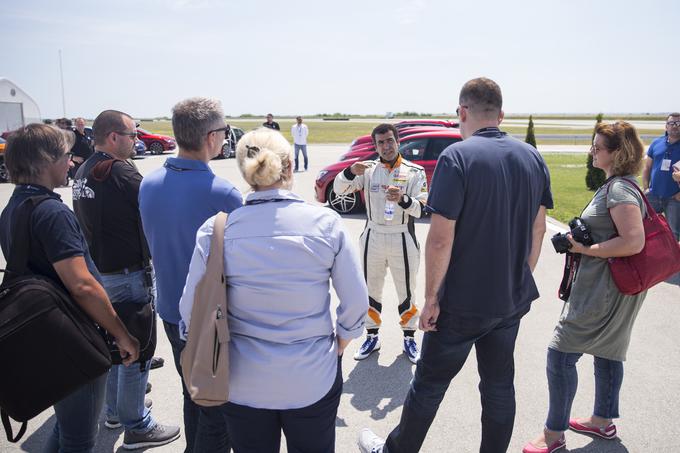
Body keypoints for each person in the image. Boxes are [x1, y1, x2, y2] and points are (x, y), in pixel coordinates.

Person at [359, 77, 553, 453]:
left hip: (463, 302)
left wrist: (431, 298)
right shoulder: (532, 156)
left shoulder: (457, 157)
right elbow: (539, 228)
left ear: (463, 111)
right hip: (510, 301)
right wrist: (521, 278)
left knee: (429, 386)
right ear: (501, 113)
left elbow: (441, 237)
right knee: (498, 387)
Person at [179, 127, 367, 453]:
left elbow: (189, 311)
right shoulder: (326, 224)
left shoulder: (216, 230)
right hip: (312, 378)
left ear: (245, 172)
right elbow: (356, 304)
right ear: (289, 167)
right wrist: (338, 345)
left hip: (241, 383)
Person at [0, 124, 140, 453]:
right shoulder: (52, 213)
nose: (72, 163)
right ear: (44, 160)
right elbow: (82, 285)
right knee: (79, 439)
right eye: (66, 156)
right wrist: (122, 334)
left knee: (66, 429)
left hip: (43, 335)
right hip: (71, 340)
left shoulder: (14, 207)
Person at [523, 122, 649, 453]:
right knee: (608, 351)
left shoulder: (620, 190)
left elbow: (633, 241)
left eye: (597, 147)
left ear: (616, 153)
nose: (592, 151)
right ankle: (602, 421)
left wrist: (583, 249)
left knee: (560, 353)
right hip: (615, 286)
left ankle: (553, 435)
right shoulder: (622, 185)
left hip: (604, 289)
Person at [139, 97, 243, 452]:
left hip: (170, 309)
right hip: (209, 319)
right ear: (212, 136)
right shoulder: (223, 193)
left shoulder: (148, 184)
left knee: (191, 393)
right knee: (218, 412)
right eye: (225, 131)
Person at [72, 110, 180, 450]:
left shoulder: (86, 170)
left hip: (101, 271)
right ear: (114, 136)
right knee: (137, 350)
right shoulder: (121, 173)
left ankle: (117, 410)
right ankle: (137, 424)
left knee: (115, 345)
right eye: (133, 135)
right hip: (129, 273)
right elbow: (159, 210)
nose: (137, 141)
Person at [334, 123, 428, 364]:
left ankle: (409, 337)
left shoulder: (415, 171)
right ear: (375, 145)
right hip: (373, 236)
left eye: (389, 141)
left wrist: (404, 199)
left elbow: (421, 209)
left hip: (402, 237)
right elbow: (338, 189)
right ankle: (372, 336)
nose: (386, 146)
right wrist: (349, 171)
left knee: (406, 290)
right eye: (381, 142)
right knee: (370, 289)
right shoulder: (367, 170)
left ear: (398, 142)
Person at [641, 112, 680, 285]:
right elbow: (647, 167)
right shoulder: (656, 143)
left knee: (673, 233)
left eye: (679, 123)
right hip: (654, 195)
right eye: (672, 123)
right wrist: (645, 188)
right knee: (643, 226)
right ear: (666, 126)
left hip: (674, 198)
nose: (675, 126)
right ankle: (645, 261)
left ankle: (671, 269)